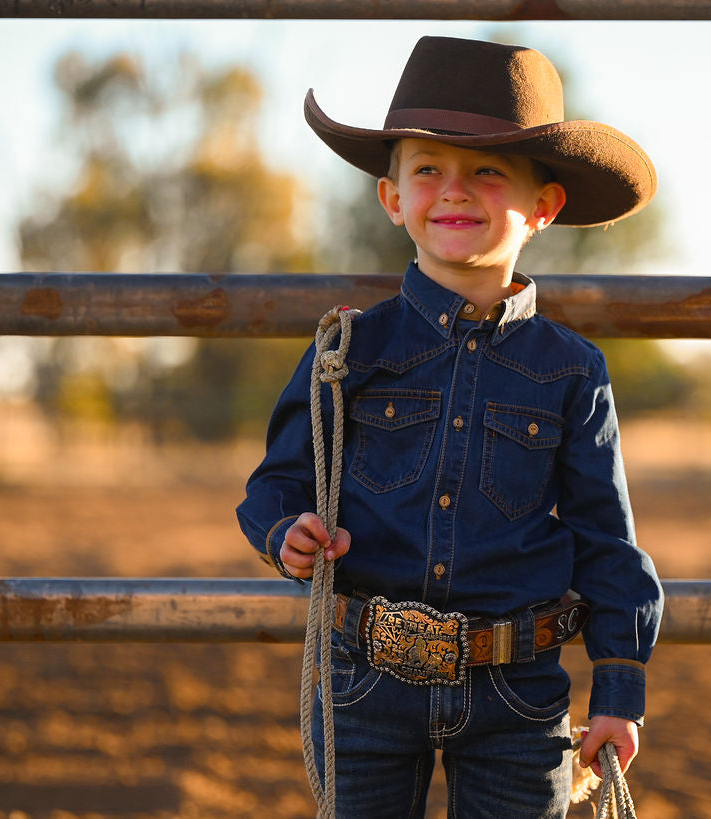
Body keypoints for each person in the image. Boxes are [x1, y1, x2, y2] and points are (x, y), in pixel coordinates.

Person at [237, 35, 663, 818]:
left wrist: (619, 688)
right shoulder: (348, 350)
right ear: (393, 197)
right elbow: (278, 481)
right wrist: (285, 531)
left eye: (487, 171)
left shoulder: (572, 370)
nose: (453, 191)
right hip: (366, 676)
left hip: (519, 689)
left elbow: (608, 540)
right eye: (427, 168)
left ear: (544, 204)